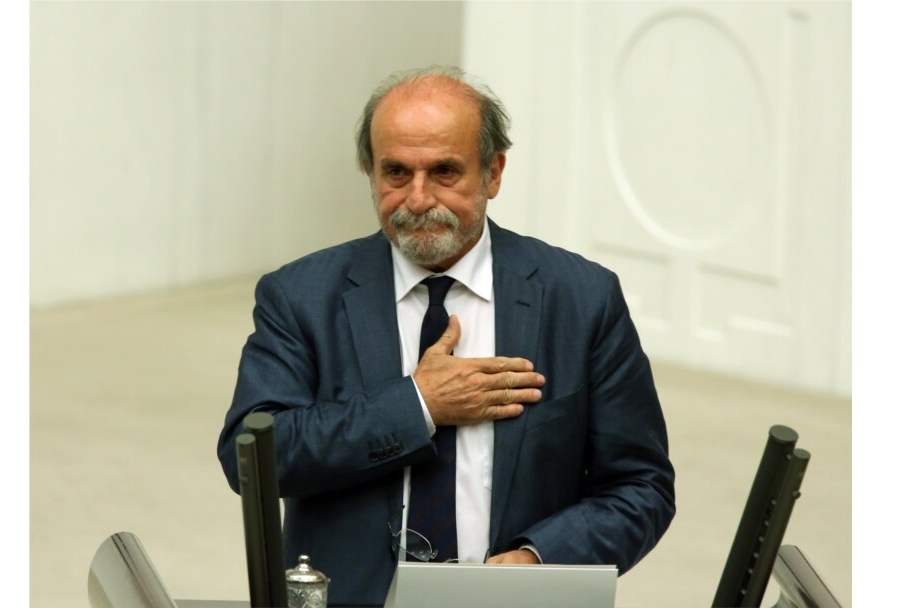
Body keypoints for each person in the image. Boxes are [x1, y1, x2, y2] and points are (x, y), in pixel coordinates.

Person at [217, 65, 675, 606]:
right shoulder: (300, 296)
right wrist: (418, 405)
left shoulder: (581, 299)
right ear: (370, 171)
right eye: (395, 173)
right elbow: (251, 458)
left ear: (494, 173)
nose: (416, 198)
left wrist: (539, 559)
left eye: (444, 172)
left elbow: (640, 487)